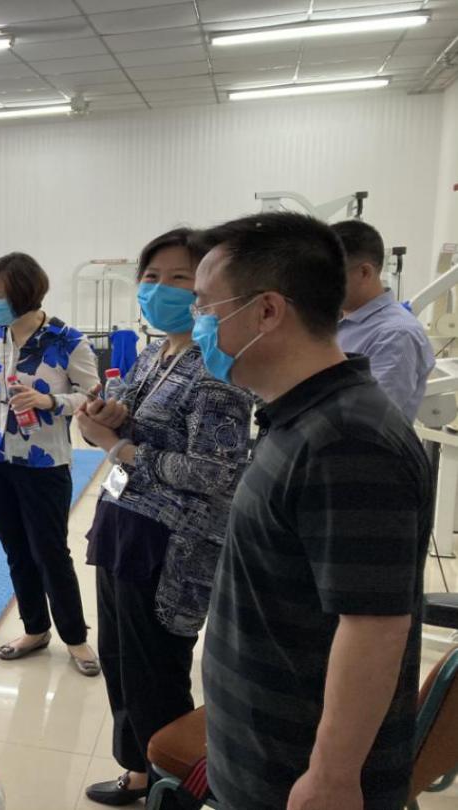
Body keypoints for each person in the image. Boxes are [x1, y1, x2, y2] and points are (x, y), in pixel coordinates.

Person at [193, 212, 431, 810]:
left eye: (205, 305)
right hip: (263, 749)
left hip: (297, 775)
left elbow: (374, 626)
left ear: (268, 311)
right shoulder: (299, 416)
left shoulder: (348, 439)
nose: (197, 321)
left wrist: (331, 775)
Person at [74, 229, 253, 806]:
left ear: (206, 288)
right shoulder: (156, 353)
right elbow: (134, 425)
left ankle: (172, 787)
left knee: (155, 668)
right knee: (119, 658)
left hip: (171, 542)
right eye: (151, 277)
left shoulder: (216, 368)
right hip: (123, 524)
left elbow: (216, 473)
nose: (161, 288)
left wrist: (119, 448)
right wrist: (108, 418)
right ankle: (138, 769)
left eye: (179, 277)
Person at [0, 252, 101, 675]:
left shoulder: (67, 340)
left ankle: (75, 638)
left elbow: (93, 395)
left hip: (42, 463)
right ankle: (35, 630)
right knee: (16, 550)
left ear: (26, 291)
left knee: (50, 552)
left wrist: (50, 400)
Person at [333, 219, 435, 421]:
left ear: (364, 272)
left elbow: (367, 419)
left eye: (328, 275)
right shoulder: (338, 320)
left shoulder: (395, 335)